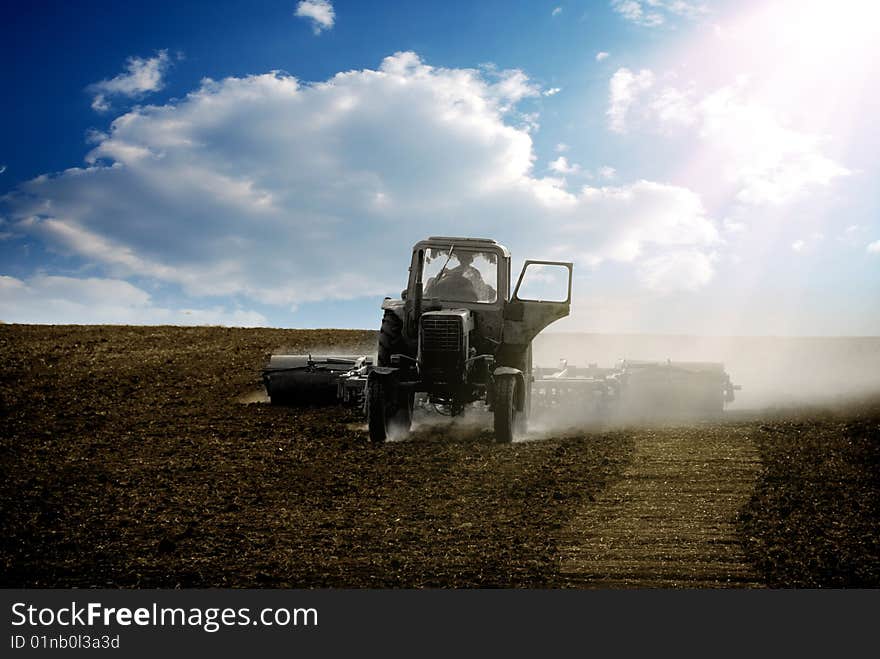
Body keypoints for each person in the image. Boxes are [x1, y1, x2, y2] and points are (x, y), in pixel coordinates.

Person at [424, 250, 496, 302]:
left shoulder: (474, 273)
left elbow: (480, 292)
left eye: (467, 257)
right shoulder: (449, 272)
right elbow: (431, 293)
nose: (464, 260)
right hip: (445, 301)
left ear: (470, 260)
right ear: (459, 259)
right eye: (462, 257)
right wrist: (439, 277)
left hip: (468, 304)